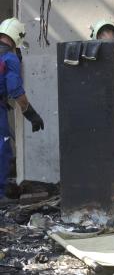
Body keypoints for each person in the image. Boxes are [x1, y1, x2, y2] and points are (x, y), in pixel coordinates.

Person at [0, 18, 44, 204]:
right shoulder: (9, 58)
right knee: (2, 151)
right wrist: (31, 115)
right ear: (17, 37)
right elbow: (16, 90)